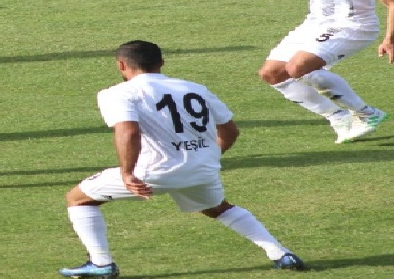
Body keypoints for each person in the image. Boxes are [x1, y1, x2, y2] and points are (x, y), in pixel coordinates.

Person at [59, 40, 304, 278]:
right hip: (201, 170)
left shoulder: (118, 93)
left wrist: (127, 172)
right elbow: (230, 130)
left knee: (78, 199)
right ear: (162, 62)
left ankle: (101, 263)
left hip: (153, 172)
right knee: (218, 208)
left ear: (121, 65)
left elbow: (128, 131)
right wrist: (208, 157)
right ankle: (281, 253)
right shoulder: (195, 88)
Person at [228, 0, 394, 144]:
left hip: (353, 26)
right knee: (272, 74)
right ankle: (338, 118)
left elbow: (391, 2)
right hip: (315, 23)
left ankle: (366, 114)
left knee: (298, 67)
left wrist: (389, 39)